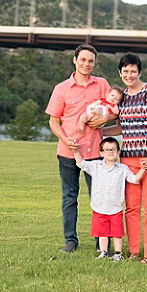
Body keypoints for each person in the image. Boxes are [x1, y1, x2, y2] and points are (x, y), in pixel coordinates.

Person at [45, 44, 112, 253]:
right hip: (68, 153)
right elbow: (53, 121)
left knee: (100, 199)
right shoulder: (61, 89)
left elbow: (114, 109)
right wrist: (65, 139)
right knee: (69, 197)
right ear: (75, 60)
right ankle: (70, 241)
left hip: (96, 154)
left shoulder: (102, 85)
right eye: (83, 59)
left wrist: (105, 119)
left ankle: (102, 245)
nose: (86, 64)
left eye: (90, 61)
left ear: (94, 63)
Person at [115, 52, 147, 264]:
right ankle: (134, 251)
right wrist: (97, 131)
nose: (129, 74)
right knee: (131, 208)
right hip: (128, 159)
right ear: (120, 73)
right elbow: (122, 128)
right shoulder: (122, 97)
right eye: (125, 71)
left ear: (139, 72)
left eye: (133, 71)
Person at [68, 136, 145, 261]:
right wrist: (75, 151)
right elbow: (81, 164)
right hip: (99, 207)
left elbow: (134, 179)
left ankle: (118, 254)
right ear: (101, 153)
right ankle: (103, 252)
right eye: (107, 150)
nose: (110, 152)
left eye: (113, 149)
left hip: (115, 208)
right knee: (101, 232)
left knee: (117, 233)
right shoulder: (96, 166)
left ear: (118, 152)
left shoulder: (122, 169)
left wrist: (143, 169)